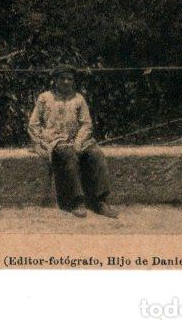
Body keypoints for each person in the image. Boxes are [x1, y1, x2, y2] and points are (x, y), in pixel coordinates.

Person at [27, 65, 118, 218]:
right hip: (56, 140)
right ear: (55, 80)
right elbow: (33, 124)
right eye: (62, 78)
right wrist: (38, 143)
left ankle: (100, 201)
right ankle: (77, 201)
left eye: (70, 79)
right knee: (68, 155)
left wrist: (79, 141)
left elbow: (86, 124)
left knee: (96, 154)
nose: (66, 82)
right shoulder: (45, 98)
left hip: (78, 140)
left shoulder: (78, 99)